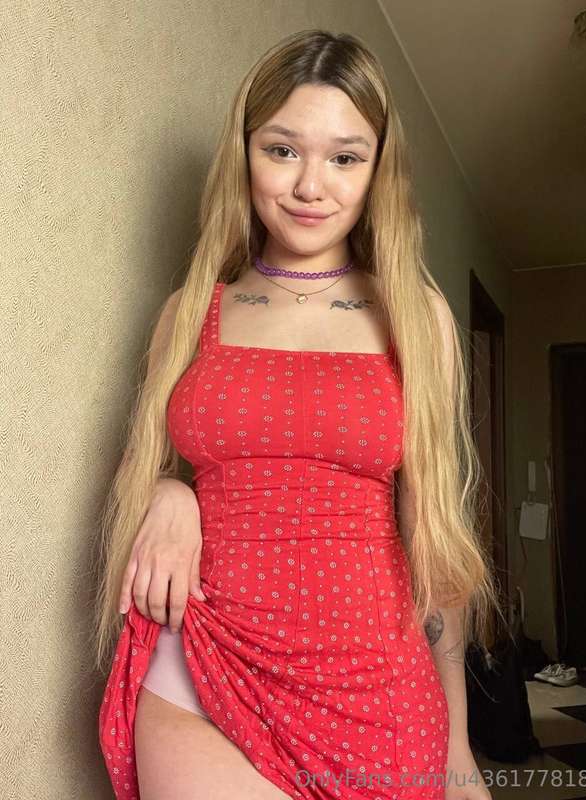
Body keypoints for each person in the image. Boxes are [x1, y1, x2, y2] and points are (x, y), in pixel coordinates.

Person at [94, 28, 503, 800]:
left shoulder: (416, 318)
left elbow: (433, 540)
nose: (310, 186)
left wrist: (456, 747)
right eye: (281, 150)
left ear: (378, 170)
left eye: (345, 158)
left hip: (376, 685)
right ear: (244, 155)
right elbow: (140, 470)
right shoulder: (189, 312)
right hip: (207, 668)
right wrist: (169, 491)